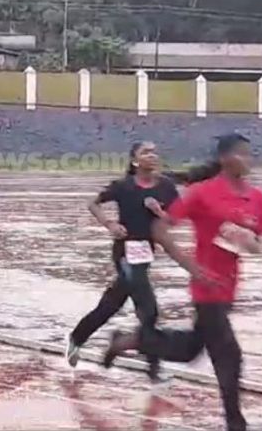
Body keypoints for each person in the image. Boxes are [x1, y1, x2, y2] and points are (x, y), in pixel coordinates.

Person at [103, 133, 262, 431]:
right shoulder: (202, 193)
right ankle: (236, 423)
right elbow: (160, 229)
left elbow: (258, 243)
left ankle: (130, 340)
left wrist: (249, 241)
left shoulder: (256, 198)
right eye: (239, 154)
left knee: (190, 349)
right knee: (229, 354)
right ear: (223, 159)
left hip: (230, 286)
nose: (246, 160)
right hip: (206, 288)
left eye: (249, 154)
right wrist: (193, 268)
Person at [64, 141, 180, 385]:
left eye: (154, 151)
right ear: (135, 161)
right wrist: (110, 224)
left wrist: (159, 212)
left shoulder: (166, 187)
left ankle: (77, 337)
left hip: (145, 254)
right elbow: (93, 203)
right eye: (145, 152)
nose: (152, 155)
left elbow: (175, 220)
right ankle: (153, 369)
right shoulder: (123, 186)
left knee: (111, 305)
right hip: (124, 254)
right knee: (148, 309)